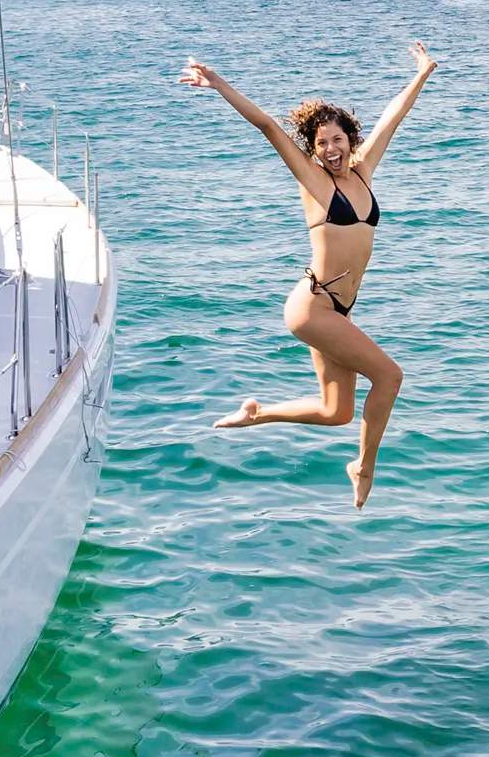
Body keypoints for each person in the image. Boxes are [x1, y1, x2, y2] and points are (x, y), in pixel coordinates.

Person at [179, 41, 437, 509]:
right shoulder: (312, 180)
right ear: (312, 149)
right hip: (312, 307)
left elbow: (393, 118)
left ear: (350, 140)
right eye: (321, 143)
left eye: (338, 140)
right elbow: (267, 126)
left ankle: (256, 413)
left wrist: (423, 72)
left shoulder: (363, 173)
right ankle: (364, 466)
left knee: (336, 412)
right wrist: (217, 84)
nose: (331, 149)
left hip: (339, 309)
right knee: (390, 377)